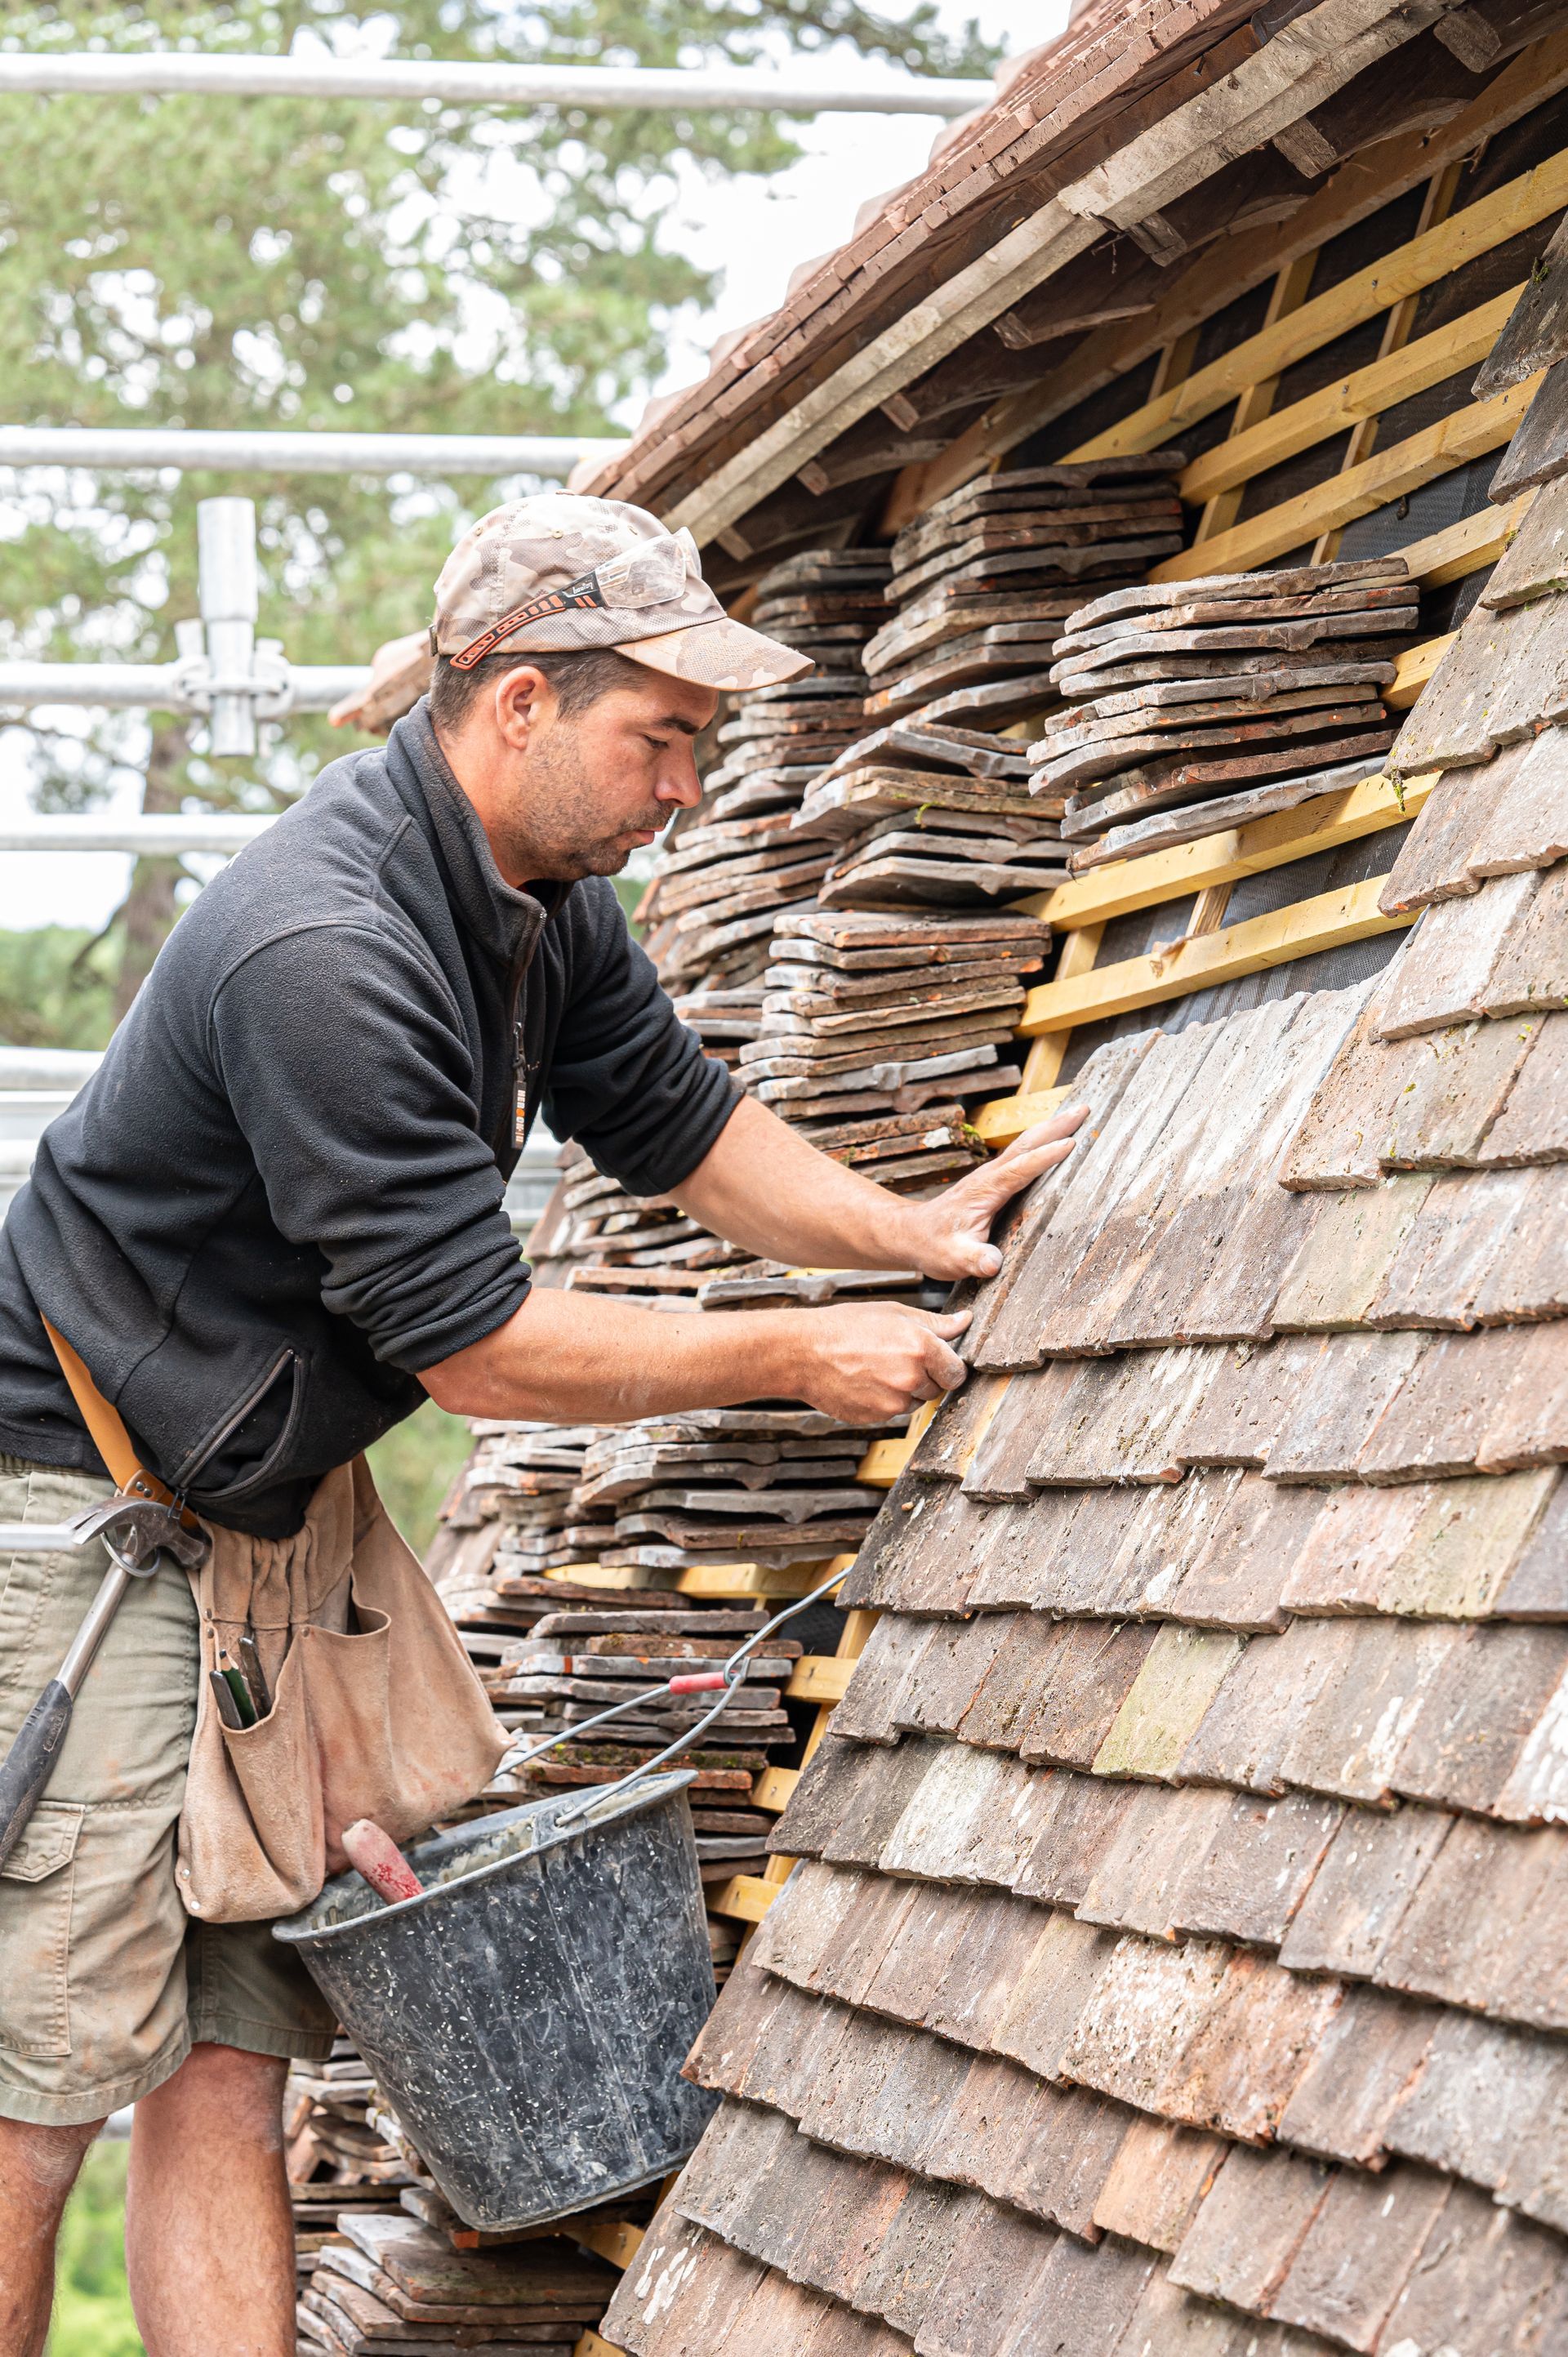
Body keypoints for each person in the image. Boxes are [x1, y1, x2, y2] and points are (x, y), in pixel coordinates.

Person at [0, 493, 1081, 2354]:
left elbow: (676, 1121)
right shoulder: (322, 950)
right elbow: (479, 1350)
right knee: (42, 2088)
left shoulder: (531, 906)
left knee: (226, 2052)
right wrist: (797, 1350)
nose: (685, 786)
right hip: (74, 1519)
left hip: (253, 1523)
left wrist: (911, 1234)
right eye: (658, 736)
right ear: (514, 704)